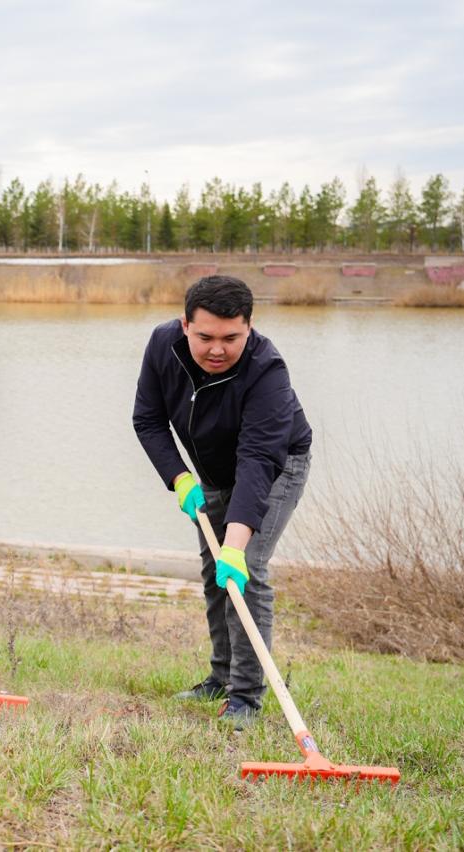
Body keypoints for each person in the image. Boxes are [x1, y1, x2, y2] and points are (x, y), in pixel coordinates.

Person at [133, 275, 312, 728]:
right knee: (215, 574)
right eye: (205, 337)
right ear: (184, 325)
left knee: (243, 568)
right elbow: (148, 419)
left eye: (231, 338)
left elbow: (257, 459)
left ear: (249, 328)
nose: (217, 349)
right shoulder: (162, 346)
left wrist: (235, 543)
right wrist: (178, 478)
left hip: (275, 466)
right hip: (208, 471)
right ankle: (220, 676)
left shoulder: (267, 370)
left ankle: (246, 697)